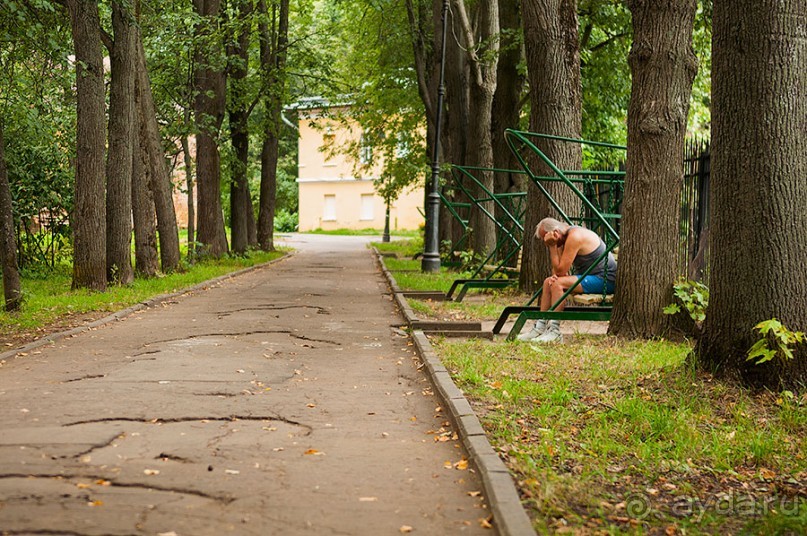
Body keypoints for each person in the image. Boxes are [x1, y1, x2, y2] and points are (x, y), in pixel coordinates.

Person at [518, 217, 617, 343]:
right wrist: (554, 247)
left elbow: (560, 272)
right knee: (548, 282)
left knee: (558, 284)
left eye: (547, 239)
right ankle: (540, 327)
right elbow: (558, 272)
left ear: (555, 232)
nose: (547, 242)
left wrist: (552, 247)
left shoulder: (574, 237)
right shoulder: (562, 238)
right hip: (590, 277)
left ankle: (554, 331)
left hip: (605, 280)